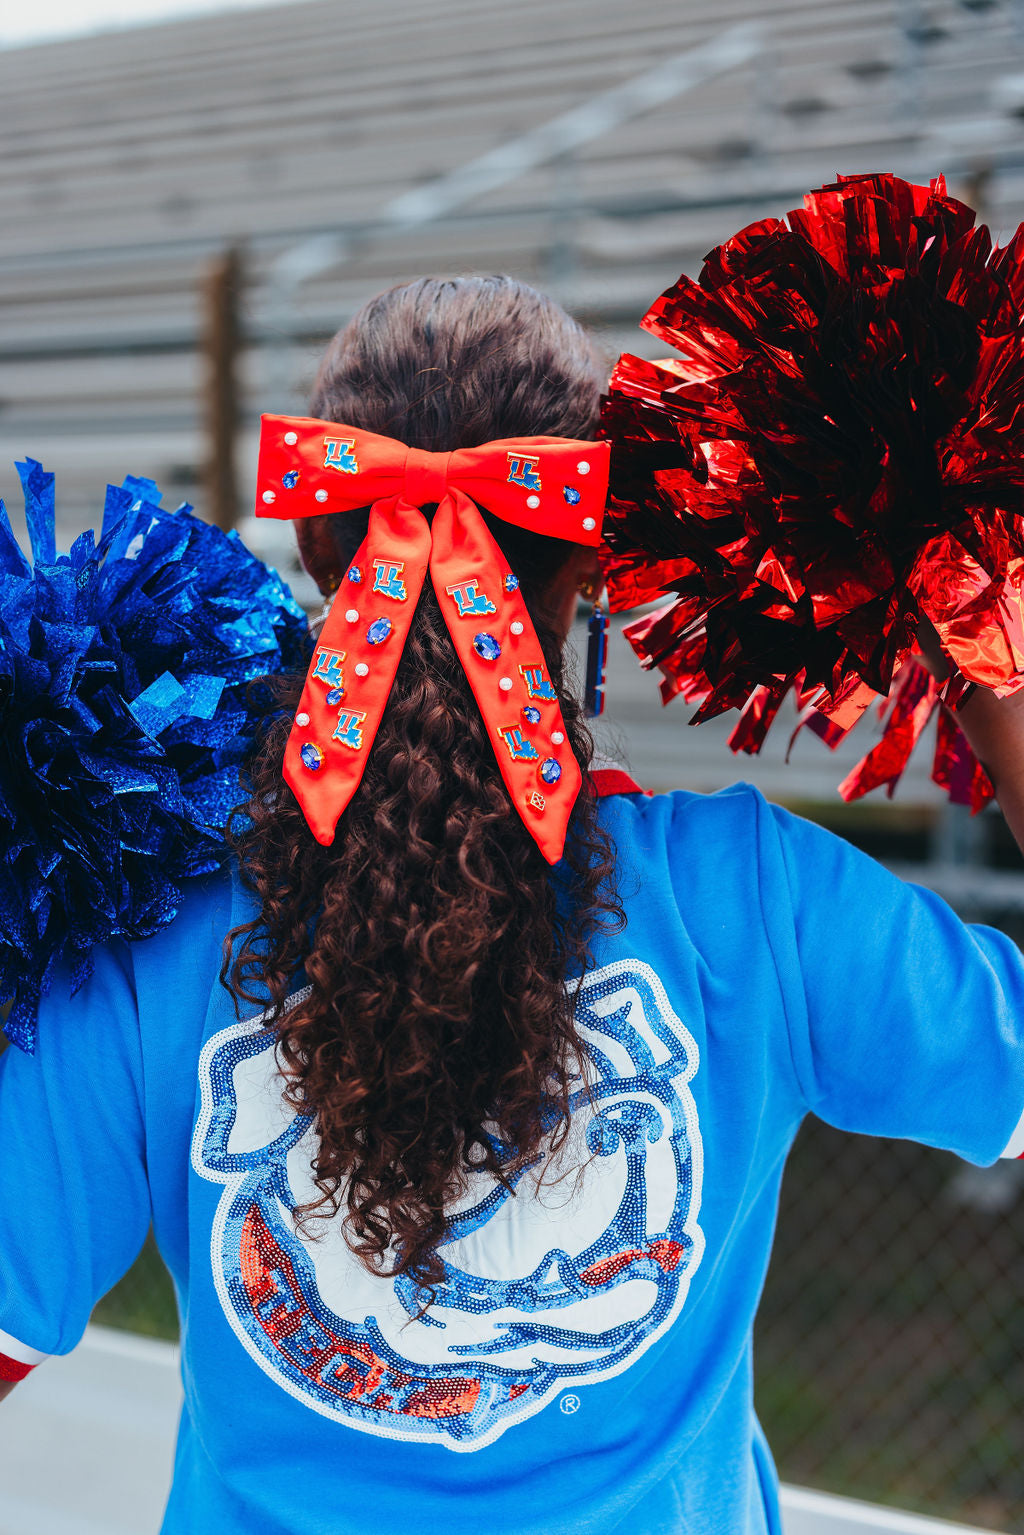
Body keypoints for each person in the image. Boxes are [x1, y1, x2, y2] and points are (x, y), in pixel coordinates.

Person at [3, 272, 1024, 1535]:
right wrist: (985, 642)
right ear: (596, 563)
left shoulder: (154, 934)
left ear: (320, 547)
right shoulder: (755, 897)